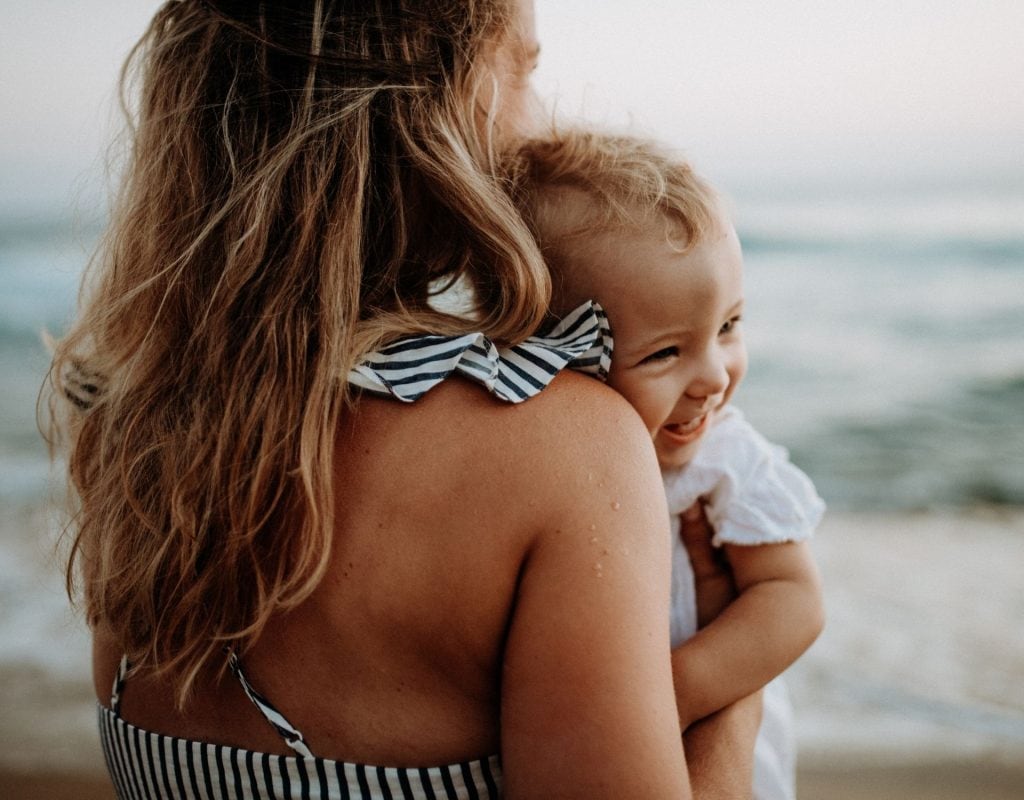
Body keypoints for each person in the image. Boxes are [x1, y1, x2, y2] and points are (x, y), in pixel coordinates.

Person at [47, 2, 762, 798]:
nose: (541, 121)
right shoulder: (563, 449)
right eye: (523, 69)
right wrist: (739, 690)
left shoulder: (132, 424)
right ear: (429, 110)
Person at [508, 128, 827, 799]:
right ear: (556, 356)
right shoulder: (534, 469)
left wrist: (678, 692)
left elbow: (793, 601)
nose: (715, 376)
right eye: (663, 354)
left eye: (730, 327)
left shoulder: (725, 458)